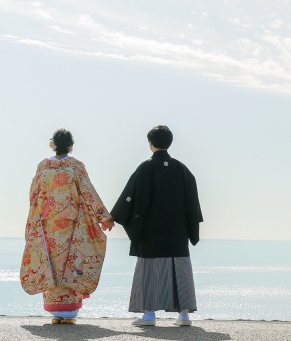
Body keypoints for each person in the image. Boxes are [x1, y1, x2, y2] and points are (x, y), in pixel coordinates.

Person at [110, 125, 203, 327]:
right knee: (180, 271)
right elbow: (193, 203)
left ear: (150, 143)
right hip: (177, 231)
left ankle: (149, 315)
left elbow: (130, 196)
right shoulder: (182, 169)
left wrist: (113, 217)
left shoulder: (146, 168)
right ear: (169, 142)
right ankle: (184, 316)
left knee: (150, 271)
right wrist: (190, 226)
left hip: (151, 231)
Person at [20, 128, 115, 324]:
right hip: (71, 224)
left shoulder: (43, 167)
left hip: (47, 225)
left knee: (50, 264)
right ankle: (70, 312)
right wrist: (103, 217)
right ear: (71, 146)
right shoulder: (76, 166)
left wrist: (32, 222)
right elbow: (88, 192)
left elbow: (33, 196)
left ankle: (56, 312)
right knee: (71, 263)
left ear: (52, 144)